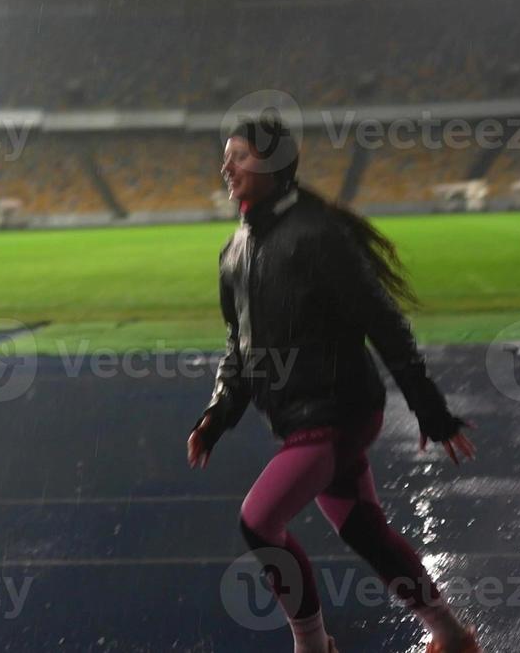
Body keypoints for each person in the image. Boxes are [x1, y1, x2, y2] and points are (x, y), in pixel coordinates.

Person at [188, 115, 480, 653]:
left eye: (241, 156)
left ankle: (313, 644)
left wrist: (430, 410)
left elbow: (384, 322)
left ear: (275, 166)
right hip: (301, 418)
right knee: (364, 531)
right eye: (226, 157)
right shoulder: (234, 253)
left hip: (337, 415)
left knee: (258, 522)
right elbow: (240, 347)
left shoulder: (318, 236)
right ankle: (450, 633)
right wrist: (218, 413)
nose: (226, 167)